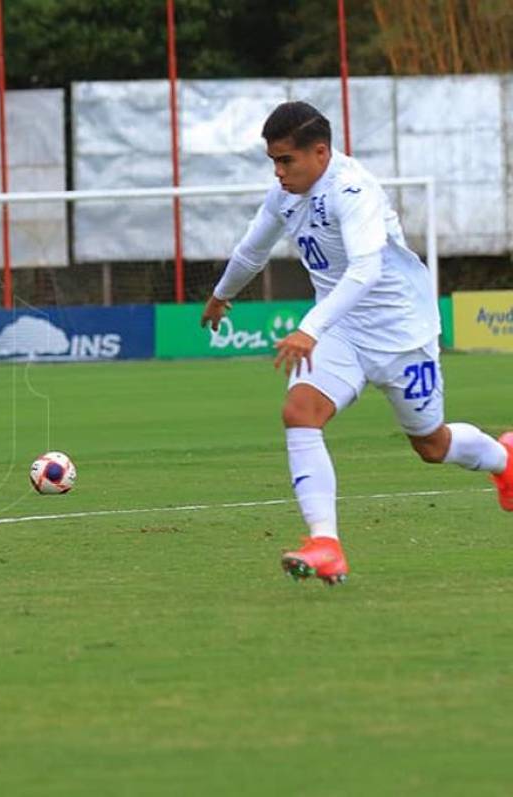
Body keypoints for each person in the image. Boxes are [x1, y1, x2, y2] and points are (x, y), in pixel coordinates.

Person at [200, 101, 513, 585]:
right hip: (343, 333)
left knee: (431, 445)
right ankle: (325, 543)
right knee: (299, 412)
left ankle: (505, 461)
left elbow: (365, 270)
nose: (278, 172)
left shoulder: (353, 190)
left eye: (287, 161)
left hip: (402, 336)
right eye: (274, 162)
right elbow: (252, 250)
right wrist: (221, 295)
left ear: (320, 153)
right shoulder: (285, 196)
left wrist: (310, 328)